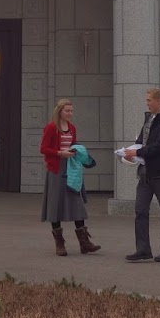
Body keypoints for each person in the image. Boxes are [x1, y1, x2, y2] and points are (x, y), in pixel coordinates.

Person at [123, 88, 160, 263]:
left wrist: (138, 152)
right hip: (145, 172)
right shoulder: (149, 119)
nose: (147, 103)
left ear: (159, 101)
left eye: (149, 100)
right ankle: (143, 249)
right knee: (140, 210)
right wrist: (131, 152)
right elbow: (141, 141)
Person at [38, 98, 100, 256]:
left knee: (76, 202)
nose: (70, 113)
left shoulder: (72, 127)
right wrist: (60, 153)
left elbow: (73, 143)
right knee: (55, 204)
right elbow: (43, 149)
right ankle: (59, 244)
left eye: (71, 111)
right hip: (56, 169)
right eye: (67, 111)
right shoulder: (51, 127)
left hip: (71, 168)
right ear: (60, 111)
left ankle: (84, 243)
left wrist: (76, 150)